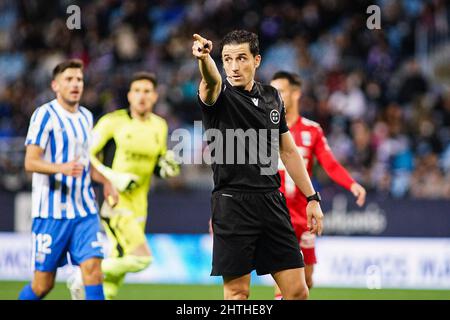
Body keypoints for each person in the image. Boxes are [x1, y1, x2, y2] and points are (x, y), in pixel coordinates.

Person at [192, 30, 324, 300]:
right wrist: (205, 59)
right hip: (232, 203)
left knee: (298, 291)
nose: (233, 66)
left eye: (241, 58)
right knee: (238, 293)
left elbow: (288, 151)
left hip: (271, 202)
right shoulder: (218, 94)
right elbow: (211, 79)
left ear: (257, 60)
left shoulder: (272, 97)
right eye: (227, 59)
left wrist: (312, 197)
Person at [67, 71, 180, 300]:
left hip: (140, 204)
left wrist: (166, 167)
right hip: (115, 201)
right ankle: (85, 273)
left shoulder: (159, 126)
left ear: (155, 96)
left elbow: (157, 161)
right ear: (129, 95)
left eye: (147, 91)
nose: (142, 96)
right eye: (137, 91)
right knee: (142, 259)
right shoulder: (112, 122)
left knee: (118, 263)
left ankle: (98, 295)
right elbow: (84, 155)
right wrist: (113, 178)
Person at [19, 59, 118, 300]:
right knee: (43, 285)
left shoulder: (86, 116)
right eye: (69, 80)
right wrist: (59, 168)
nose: (75, 84)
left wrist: (106, 181)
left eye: (79, 80)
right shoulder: (44, 115)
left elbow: (86, 163)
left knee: (94, 272)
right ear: (55, 85)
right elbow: (30, 162)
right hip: (51, 214)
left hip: (84, 211)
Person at [270, 71, 367, 298]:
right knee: (285, 280)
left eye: (280, 91)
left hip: (303, 215)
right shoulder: (263, 128)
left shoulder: (312, 130)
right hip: (275, 213)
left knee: (306, 280)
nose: (275, 96)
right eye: (272, 91)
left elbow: (329, 164)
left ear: (295, 94)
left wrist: (352, 184)